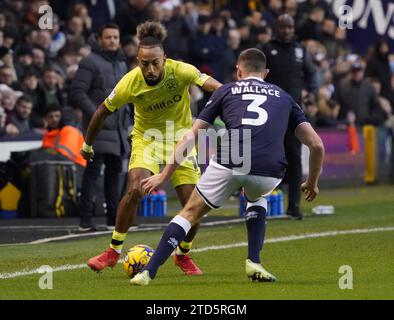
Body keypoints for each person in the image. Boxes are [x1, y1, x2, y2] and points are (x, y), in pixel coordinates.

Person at [130, 48, 325, 286]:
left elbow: (192, 136)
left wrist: (164, 174)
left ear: (238, 71)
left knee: (190, 213)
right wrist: (312, 182)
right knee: (256, 197)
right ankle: (254, 261)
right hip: (270, 168)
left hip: (233, 157)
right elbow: (316, 146)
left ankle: (147, 273)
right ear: (266, 73)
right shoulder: (284, 96)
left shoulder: (227, 90)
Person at [81, 21, 222, 275]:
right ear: (138, 61)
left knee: (194, 204)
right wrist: (87, 143)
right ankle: (113, 252)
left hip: (181, 139)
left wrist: (234, 98)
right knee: (135, 188)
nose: (151, 68)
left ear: (164, 59)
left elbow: (216, 88)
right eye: (145, 63)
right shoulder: (130, 82)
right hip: (147, 139)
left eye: (155, 62)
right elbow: (101, 112)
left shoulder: (181, 71)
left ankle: (183, 254)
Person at [70, 23, 132, 231]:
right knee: (93, 173)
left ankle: (112, 219)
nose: (112, 41)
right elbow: (77, 92)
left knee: (114, 174)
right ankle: (86, 220)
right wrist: (98, 114)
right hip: (98, 130)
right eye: (108, 37)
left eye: (115, 37)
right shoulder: (89, 62)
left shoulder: (122, 64)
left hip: (119, 132)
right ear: (100, 39)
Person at [262, 14, 318, 219]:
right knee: (267, 157)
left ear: (293, 28)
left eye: (289, 26)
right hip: (269, 112)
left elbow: (312, 74)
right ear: (276, 27)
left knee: (295, 159)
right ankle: (261, 205)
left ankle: (294, 205)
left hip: (293, 113)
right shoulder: (266, 49)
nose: (286, 30)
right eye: (282, 26)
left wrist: (311, 92)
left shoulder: (300, 50)